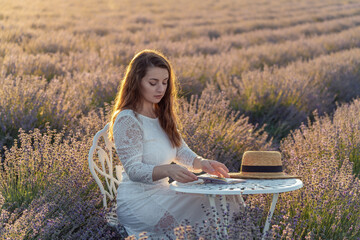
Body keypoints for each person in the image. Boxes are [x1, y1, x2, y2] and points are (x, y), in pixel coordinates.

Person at [108, 49, 241, 239]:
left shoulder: (161, 114)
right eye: (153, 83)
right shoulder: (128, 119)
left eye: (164, 82)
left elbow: (179, 150)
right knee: (212, 209)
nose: (160, 89)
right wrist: (168, 170)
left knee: (227, 196)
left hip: (164, 193)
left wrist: (201, 163)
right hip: (139, 202)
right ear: (136, 82)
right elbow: (134, 170)